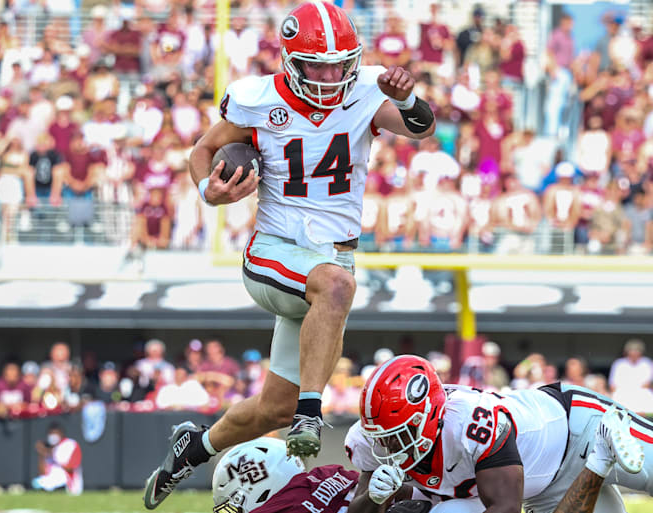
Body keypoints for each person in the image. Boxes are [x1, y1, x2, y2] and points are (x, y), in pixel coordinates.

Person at [142, 1, 435, 508]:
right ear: (289, 61)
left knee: (271, 410)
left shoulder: (365, 87)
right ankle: (311, 413)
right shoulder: (255, 98)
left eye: (337, 63)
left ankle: (195, 446)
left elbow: (421, 127)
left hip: (330, 264)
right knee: (336, 290)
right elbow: (201, 152)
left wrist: (407, 100)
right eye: (315, 65)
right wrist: (208, 192)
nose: (327, 76)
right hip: (274, 254)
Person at [344, 354, 653, 513]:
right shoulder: (371, 438)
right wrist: (377, 498)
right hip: (541, 485)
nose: (388, 446)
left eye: (399, 433)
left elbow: (503, 508)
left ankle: (606, 448)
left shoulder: (472, 422)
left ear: (432, 416)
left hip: (577, 428)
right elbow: (360, 511)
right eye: (380, 435)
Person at [210, 416, 653, 513]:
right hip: (477, 486)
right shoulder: (323, 472)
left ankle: (600, 456)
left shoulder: (464, 421)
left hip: (561, 435)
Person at [32, 422, 83, 495]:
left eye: (55, 433)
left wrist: (52, 455)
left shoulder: (70, 444)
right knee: (37, 482)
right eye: (51, 433)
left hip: (68, 483)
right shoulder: (48, 448)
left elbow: (71, 468)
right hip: (51, 483)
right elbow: (42, 473)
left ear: (61, 433)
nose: (53, 436)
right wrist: (42, 455)